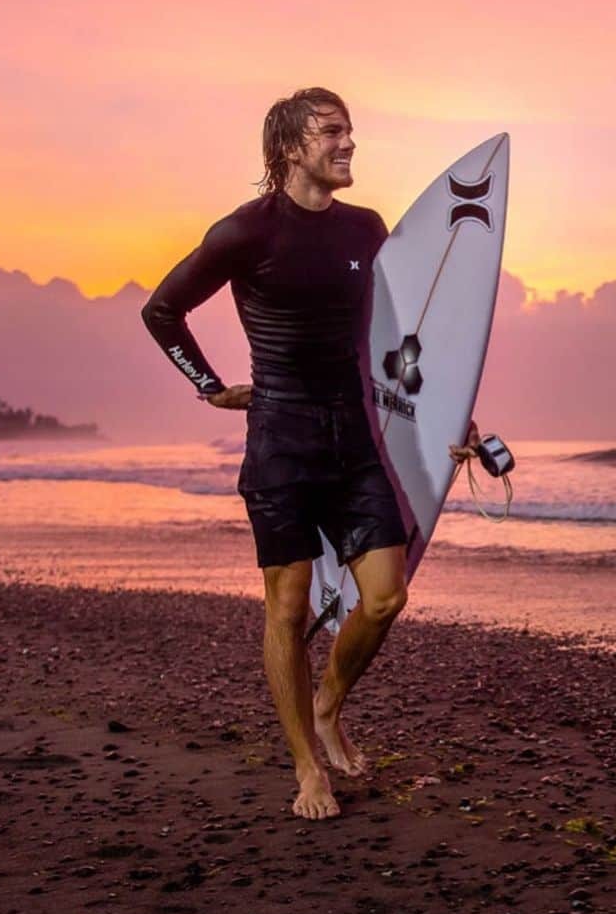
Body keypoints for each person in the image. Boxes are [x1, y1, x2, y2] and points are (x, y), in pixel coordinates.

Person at [141, 87, 477, 821]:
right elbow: (161, 310)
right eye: (331, 132)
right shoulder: (244, 232)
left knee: (386, 595)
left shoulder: (367, 230)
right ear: (292, 147)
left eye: (350, 129)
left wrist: (455, 412)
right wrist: (209, 387)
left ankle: (328, 706)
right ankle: (305, 768)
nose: (348, 142)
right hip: (281, 441)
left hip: (352, 437)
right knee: (287, 609)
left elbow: (398, 339)